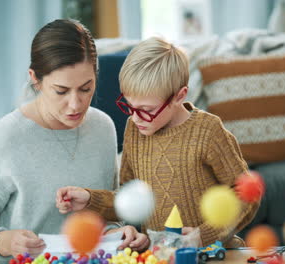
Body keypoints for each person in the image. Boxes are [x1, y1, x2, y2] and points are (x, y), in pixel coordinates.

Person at [0, 19, 147, 264]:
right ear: (35, 79)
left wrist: (114, 233)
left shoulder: (103, 127)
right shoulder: (4, 139)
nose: (76, 105)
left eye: (86, 88)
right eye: (61, 91)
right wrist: (6, 241)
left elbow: (107, 212)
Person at [56, 36, 259, 247]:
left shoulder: (207, 130)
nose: (135, 118)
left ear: (179, 96)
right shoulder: (134, 130)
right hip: (160, 255)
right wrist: (89, 198)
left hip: (213, 251)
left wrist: (203, 236)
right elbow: (128, 199)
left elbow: (248, 193)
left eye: (147, 110)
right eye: (130, 106)